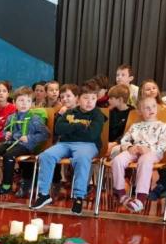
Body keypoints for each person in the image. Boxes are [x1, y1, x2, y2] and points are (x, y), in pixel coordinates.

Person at [31, 84, 108, 215]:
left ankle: (78, 197)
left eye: (93, 98)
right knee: (46, 156)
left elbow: (92, 134)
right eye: (86, 98)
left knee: (81, 158)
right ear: (78, 100)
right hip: (65, 143)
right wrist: (79, 125)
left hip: (88, 145)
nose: (89, 102)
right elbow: (58, 129)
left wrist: (71, 126)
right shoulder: (70, 112)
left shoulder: (97, 114)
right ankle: (43, 194)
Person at [0, 87, 48, 197]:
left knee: (9, 156)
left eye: (28, 101)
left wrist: (30, 138)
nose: (24, 104)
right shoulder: (11, 117)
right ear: (14, 102)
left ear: (31, 103)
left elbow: (45, 134)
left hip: (24, 146)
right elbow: (5, 131)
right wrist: (6, 134)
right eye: (21, 100)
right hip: (9, 143)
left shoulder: (34, 118)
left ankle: (6, 186)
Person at [108, 97, 166, 212]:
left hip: (153, 152)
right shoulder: (136, 126)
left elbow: (163, 145)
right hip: (135, 150)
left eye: (153, 106)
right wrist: (130, 147)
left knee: (144, 160)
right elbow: (124, 140)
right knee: (117, 160)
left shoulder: (162, 126)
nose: (151, 109)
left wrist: (148, 149)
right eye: (147, 108)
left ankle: (141, 198)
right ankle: (121, 193)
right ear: (140, 112)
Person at [106, 85, 133, 152]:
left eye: (111, 98)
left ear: (120, 100)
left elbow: (130, 133)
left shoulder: (133, 113)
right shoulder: (110, 111)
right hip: (109, 143)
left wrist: (115, 143)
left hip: (124, 144)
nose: (108, 100)